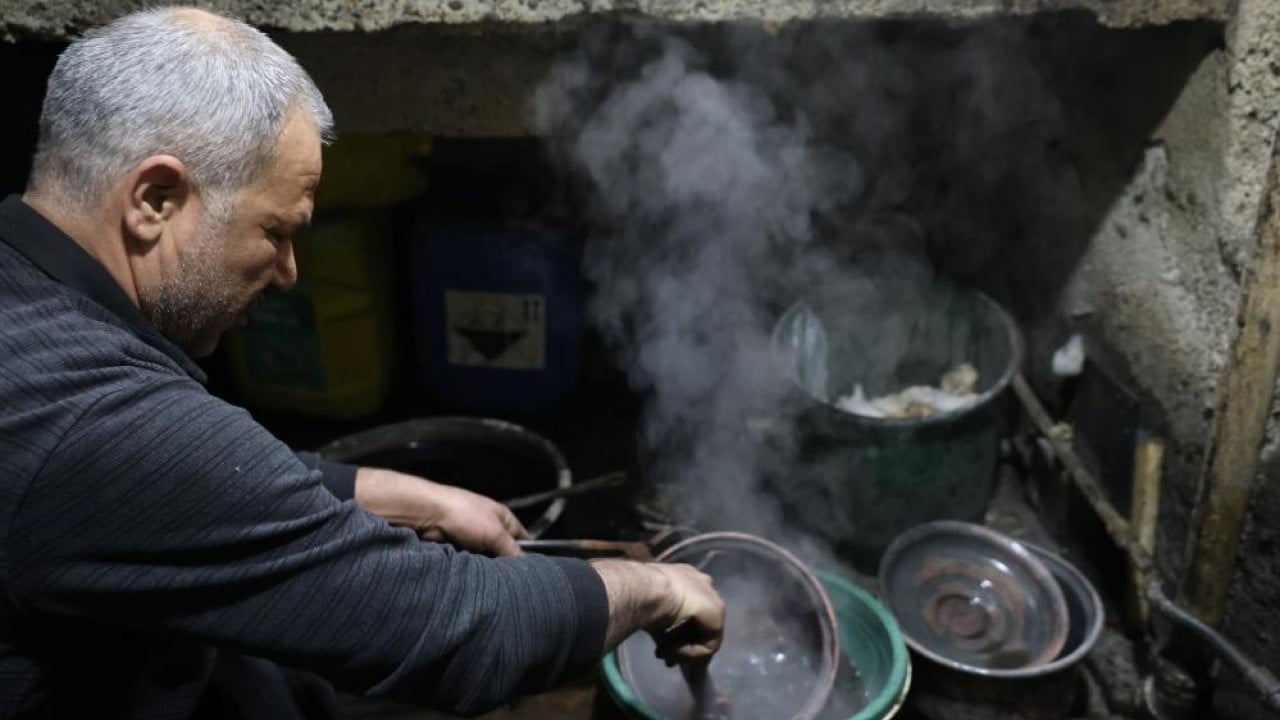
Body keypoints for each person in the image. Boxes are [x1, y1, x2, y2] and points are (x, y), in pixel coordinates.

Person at [0, 6, 724, 718]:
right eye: (276, 231)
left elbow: (184, 494)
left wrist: (409, 496)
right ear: (156, 200)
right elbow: (455, 631)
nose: (286, 272)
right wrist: (652, 588)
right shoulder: (94, 420)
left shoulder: (30, 307)